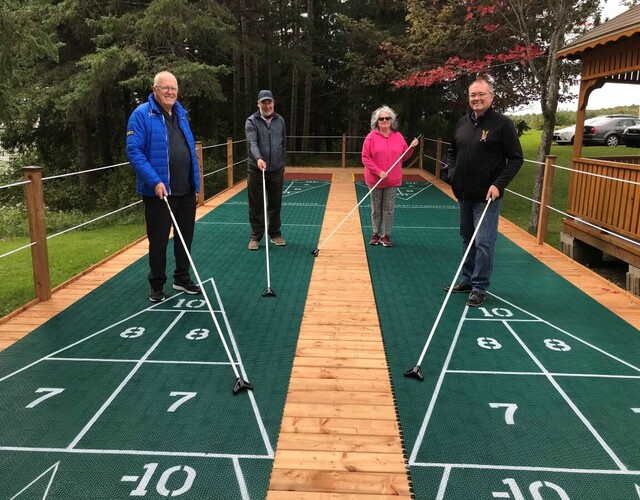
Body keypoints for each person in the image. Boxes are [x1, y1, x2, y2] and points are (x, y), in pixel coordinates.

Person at [444, 77, 523, 307]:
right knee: (467, 239)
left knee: (484, 243)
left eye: (481, 94)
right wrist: (452, 172)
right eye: (472, 95)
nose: (476, 99)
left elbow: (516, 158)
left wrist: (498, 184)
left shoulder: (502, 124)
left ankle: (479, 287)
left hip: (486, 197)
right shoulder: (462, 123)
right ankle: (467, 280)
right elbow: (451, 151)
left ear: (491, 96)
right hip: (463, 194)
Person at [126, 71, 202, 302]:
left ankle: (182, 278)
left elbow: (188, 149)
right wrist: (155, 181)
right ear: (155, 89)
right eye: (165, 87)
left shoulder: (181, 114)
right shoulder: (141, 115)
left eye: (174, 88)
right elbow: (134, 151)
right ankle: (157, 283)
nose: (170, 92)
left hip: (185, 189)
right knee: (158, 240)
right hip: (159, 192)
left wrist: (196, 182)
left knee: (184, 237)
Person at [361, 105, 419, 247]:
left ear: (392, 121)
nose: (385, 120)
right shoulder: (371, 137)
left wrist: (412, 147)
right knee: (376, 208)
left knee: (389, 209)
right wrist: (378, 171)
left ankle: (385, 235)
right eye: (382, 118)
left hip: (392, 180)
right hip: (375, 179)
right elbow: (365, 158)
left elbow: (404, 157)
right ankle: (375, 233)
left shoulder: (398, 137)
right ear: (377, 121)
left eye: (388, 118)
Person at [245, 89, 287, 250]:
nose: (267, 105)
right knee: (256, 204)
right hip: (256, 169)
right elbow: (252, 143)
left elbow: (283, 144)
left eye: (269, 102)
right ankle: (255, 236)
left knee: (275, 203)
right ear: (258, 104)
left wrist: (281, 163)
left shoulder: (280, 120)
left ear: (273, 103)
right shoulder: (251, 121)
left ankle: (275, 234)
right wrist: (259, 159)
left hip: (276, 169)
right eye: (264, 102)